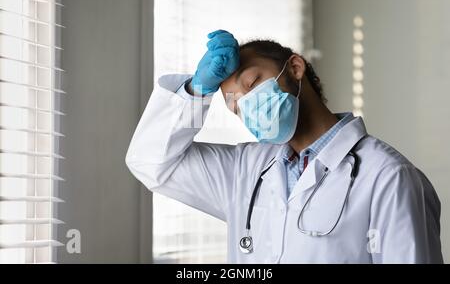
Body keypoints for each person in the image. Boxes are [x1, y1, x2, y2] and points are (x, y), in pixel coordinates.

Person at [126, 30, 443, 263]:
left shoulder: (388, 176)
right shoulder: (245, 170)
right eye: (236, 106)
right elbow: (150, 163)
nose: (247, 104)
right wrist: (196, 92)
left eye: (252, 83)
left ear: (295, 68)